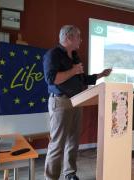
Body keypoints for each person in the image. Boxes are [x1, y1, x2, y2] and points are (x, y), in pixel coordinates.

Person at [43, 25, 112, 180]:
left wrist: (100, 75)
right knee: (57, 143)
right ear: (69, 37)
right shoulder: (53, 54)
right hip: (61, 102)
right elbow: (52, 79)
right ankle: (51, 177)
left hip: (77, 101)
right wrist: (73, 70)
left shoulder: (74, 56)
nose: (81, 40)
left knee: (73, 142)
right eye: (78, 37)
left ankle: (69, 173)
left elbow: (80, 78)